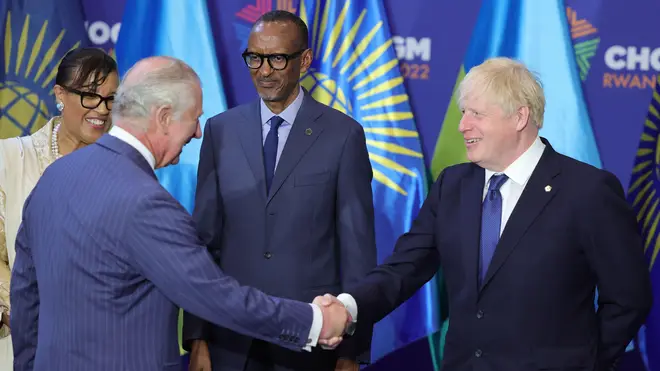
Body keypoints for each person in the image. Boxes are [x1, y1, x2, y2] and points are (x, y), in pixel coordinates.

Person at [9, 56, 350, 371]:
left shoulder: (55, 177)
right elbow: (216, 297)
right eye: (195, 117)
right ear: (164, 116)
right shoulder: (147, 204)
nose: (198, 132)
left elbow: (26, 298)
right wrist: (314, 322)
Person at [319, 57, 654, 371]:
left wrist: (587, 364)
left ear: (519, 117)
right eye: (463, 112)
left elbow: (629, 298)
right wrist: (348, 307)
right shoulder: (453, 185)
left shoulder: (587, 190)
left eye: (476, 114)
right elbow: (403, 268)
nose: (463, 125)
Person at [183, 10, 376, 371]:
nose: (264, 70)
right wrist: (198, 337)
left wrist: (351, 351)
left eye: (276, 58)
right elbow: (204, 243)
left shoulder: (343, 135)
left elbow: (357, 252)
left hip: (310, 340)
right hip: (231, 338)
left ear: (303, 60)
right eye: (254, 58)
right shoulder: (220, 131)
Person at [0, 47, 118, 369]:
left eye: (110, 98)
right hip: (21, 347)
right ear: (60, 94)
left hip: (102, 348)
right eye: (91, 96)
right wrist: (26, 315)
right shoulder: (10, 159)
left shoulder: (124, 170)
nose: (102, 109)